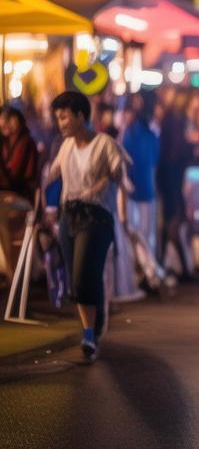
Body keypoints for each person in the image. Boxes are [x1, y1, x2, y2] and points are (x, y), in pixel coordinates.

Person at [46, 91, 128, 361]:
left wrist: (103, 181)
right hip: (68, 216)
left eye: (64, 117)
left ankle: (89, 335)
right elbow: (52, 174)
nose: (61, 124)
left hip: (96, 218)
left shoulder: (104, 143)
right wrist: (43, 201)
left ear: (80, 116)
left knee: (83, 276)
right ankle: (93, 323)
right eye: (58, 118)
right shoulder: (66, 146)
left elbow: (119, 170)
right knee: (77, 279)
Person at [157, 88, 195, 280]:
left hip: (171, 175)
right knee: (172, 222)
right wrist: (191, 148)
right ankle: (169, 266)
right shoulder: (175, 121)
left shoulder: (173, 119)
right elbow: (174, 151)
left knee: (172, 223)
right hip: (172, 176)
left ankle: (166, 266)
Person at [121, 91, 160, 258]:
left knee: (135, 232)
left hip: (134, 190)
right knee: (146, 233)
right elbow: (155, 160)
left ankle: (141, 269)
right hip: (145, 189)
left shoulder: (129, 135)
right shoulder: (150, 135)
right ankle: (147, 269)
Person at [0, 105, 40, 202]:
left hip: (20, 195)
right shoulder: (6, 142)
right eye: (3, 119)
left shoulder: (25, 141)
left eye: (10, 118)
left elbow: (14, 174)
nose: (6, 123)